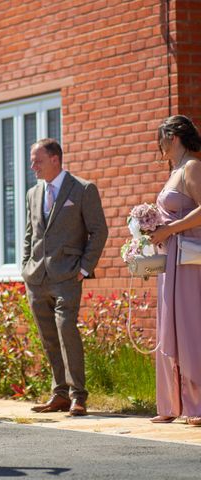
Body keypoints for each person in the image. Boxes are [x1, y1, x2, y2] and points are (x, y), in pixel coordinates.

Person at [22, 138, 108, 417]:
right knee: (48, 338)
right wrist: (25, 265)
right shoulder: (33, 193)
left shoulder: (83, 189)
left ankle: (77, 395)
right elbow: (29, 234)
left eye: (37, 160)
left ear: (55, 159)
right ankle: (58, 393)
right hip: (36, 277)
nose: (32, 165)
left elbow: (99, 231)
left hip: (68, 275)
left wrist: (84, 268)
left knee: (66, 331)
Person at [148, 115, 201, 427]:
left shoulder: (193, 167)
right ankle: (171, 403)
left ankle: (197, 403)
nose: (159, 145)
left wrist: (172, 229)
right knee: (169, 326)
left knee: (190, 324)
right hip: (170, 260)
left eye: (161, 138)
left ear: (174, 136)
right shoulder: (175, 171)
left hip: (189, 260)